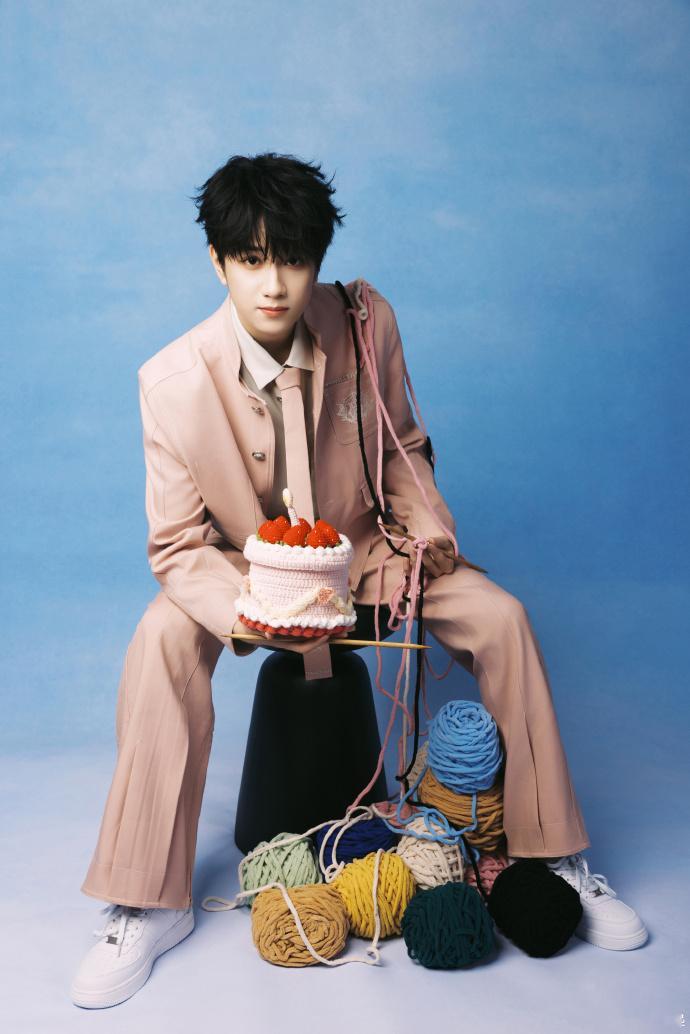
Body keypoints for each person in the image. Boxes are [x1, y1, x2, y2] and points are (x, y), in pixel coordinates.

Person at [71, 152, 648, 1009]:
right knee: (160, 637)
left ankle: (550, 855)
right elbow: (179, 546)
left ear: (318, 259)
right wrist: (255, 605)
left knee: (503, 616)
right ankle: (148, 901)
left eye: (294, 258)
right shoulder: (170, 383)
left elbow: (403, 445)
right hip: (245, 574)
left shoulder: (365, 324)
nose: (275, 284)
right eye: (252, 259)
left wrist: (430, 533)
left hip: (371, 554)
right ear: (218, 262)